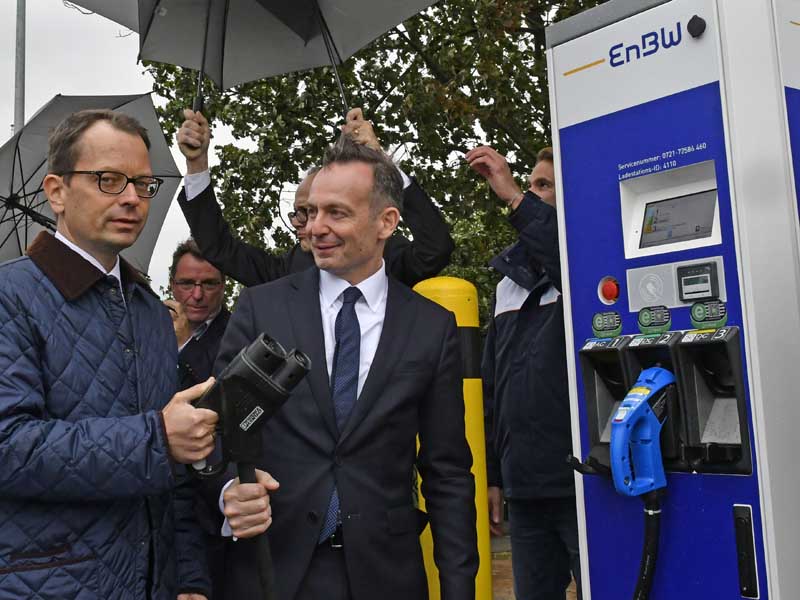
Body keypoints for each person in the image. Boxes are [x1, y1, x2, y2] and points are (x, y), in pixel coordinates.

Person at [209, 135, 478, 600]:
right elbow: (217, 428)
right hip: (271, 569)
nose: (315, 227)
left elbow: (448, 470)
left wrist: (459, 588)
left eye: (336, 213)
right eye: (311, 212)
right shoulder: (261, 308)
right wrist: (231, 487)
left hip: (385, 575)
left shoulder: (431, 328)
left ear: (386, 222)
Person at [0, 109, 222, 600]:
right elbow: (8, 447)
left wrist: (188, 577)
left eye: (143, 184)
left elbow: (174, 474)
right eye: (109, 179)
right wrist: (156, 437)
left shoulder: (150, 311)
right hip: (45, 581)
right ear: (56, 191)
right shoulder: (9, 296)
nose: (130, 199)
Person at [466, 145, 581, 600]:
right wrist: (495, 476)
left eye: (543, 186)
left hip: (582, 483)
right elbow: (492, 391)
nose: (531, 194)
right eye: (531, 184)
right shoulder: (506, 285)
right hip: (525, 487)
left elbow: (560, 249)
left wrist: (513, 193)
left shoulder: (582, 263)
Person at [175, 107, 454, 288]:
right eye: (303, 212)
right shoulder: (289, 270)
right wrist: (197, 164)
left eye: (331, 211)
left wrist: (381, 161)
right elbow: (220, 248)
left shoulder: (385, 255)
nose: (311, 226)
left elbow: (435, 248)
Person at [166, 238, 230, 391]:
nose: (197, 295)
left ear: (222, 286)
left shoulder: (240, 333)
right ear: (172, 285)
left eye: (208, 284)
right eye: (187, 283)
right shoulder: (149, 329)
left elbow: (227, 396)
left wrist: (185, 343)